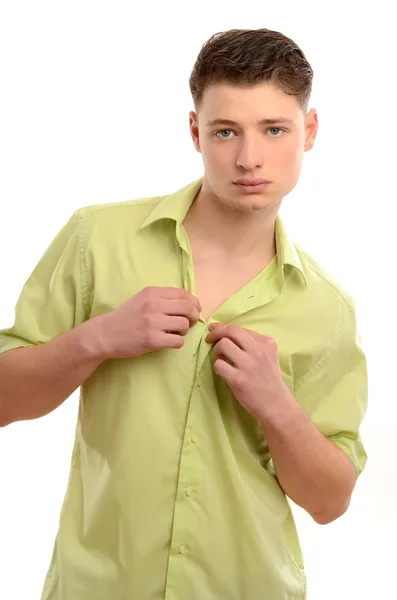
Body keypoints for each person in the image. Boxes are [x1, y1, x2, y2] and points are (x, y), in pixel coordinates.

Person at [0, 28, 367, 600]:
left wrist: (278, 405)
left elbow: (330, 502)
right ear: (195, 132)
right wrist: (97, 339)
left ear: (309, 131)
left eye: (275, 129)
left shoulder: (327, 309)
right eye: (226, 131)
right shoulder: (96, 239)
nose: (250, 158)